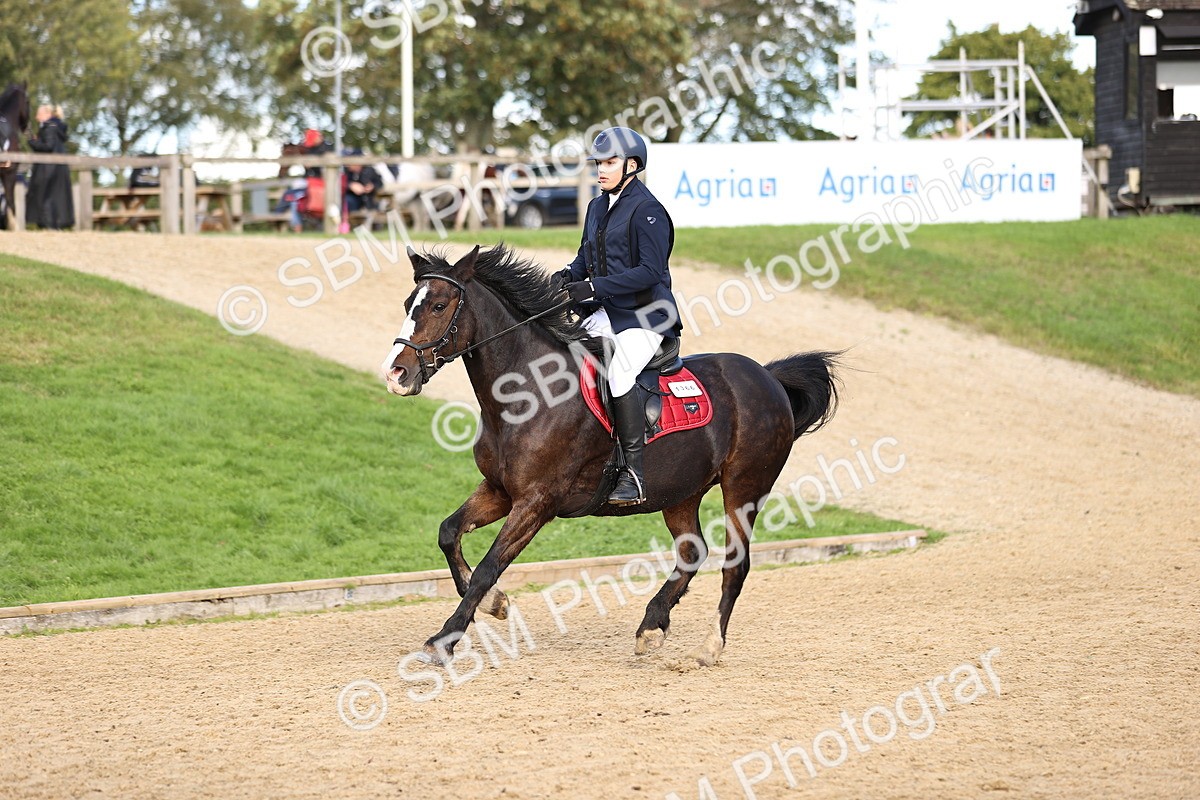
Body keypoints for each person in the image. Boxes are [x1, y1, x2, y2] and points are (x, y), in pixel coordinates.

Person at [557, 127, 680, 506]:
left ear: (632, 165)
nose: (601, 170)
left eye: (609, 163)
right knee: (562, 353)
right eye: (598, 163)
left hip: (646, 316)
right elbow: (585, 258)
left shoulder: (649, 211)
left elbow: (649, 270)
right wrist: (566, 277)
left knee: (621, 371)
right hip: (607, 312)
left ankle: (633, 473)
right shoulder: (597, 207)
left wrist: (594, 289)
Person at [26, 104, 74, 230]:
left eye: (39, 114)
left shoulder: (49, 128)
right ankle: (54, 224)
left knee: (45, 196)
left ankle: (48, 224)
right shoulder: (56, 128)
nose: (37, 118)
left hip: (48, 169)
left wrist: (32, 142)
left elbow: (48, 146)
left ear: (47, 114)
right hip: (56, 168)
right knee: (53, 197)